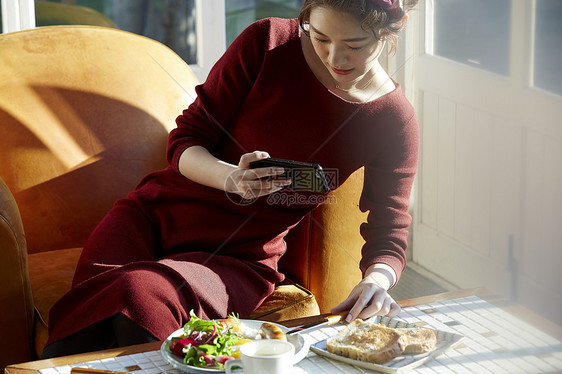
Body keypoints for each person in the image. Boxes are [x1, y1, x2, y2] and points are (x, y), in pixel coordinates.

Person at [41, 0, 419, 358]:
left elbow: (390, 226)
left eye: (355, 45)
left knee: (136, 291)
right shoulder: (268, 42)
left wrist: (378, 280)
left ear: (389, 34)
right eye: (320, 37)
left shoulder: (393, 120)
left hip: (237, 259)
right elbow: (187, 138)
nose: (335, 57)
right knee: (97, 321)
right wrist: (231, 178)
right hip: (148, 220)